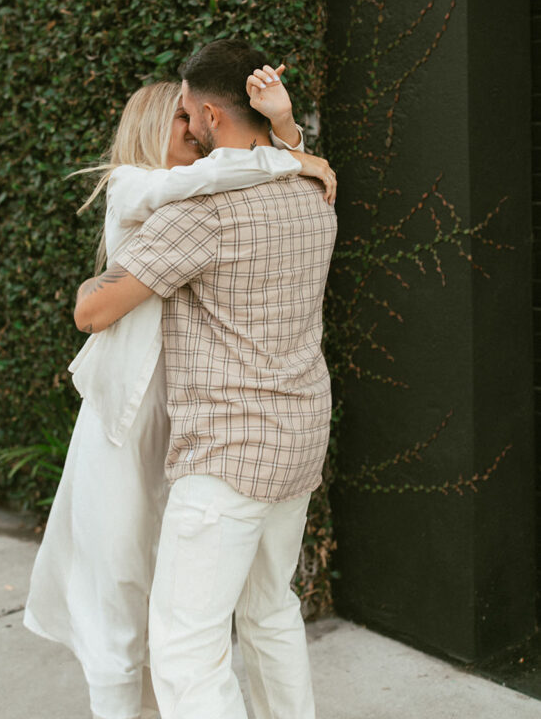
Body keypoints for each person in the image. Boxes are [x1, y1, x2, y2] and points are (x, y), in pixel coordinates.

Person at [25, 69, 336, 719]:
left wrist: (287, 141)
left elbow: (95, 308)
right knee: (132, 590)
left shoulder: (202, 210)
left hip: (209, 430)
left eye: (195, 116)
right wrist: (294, 146)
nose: (192, 129)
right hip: (138, 423)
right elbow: (232, 172)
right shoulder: (160, 189)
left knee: (188, 640)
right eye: (178, 119)